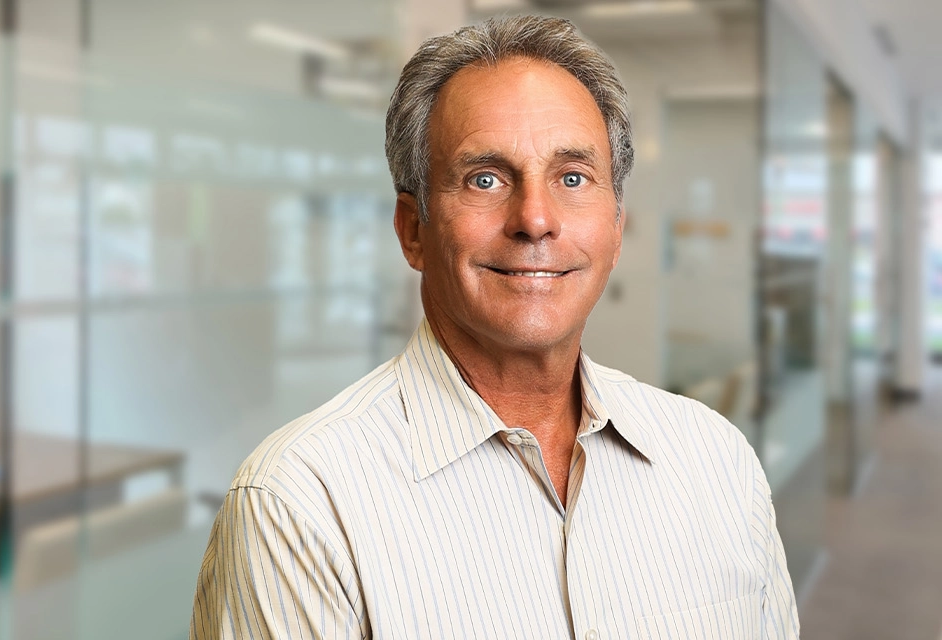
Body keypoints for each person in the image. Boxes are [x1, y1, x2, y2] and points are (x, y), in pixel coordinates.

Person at [191, 15, 798, 639]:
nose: (535, 219)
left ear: (616, 230)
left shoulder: (717, 461)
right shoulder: (299, 506)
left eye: (571, 177)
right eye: (485, 178)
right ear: (413, 229)